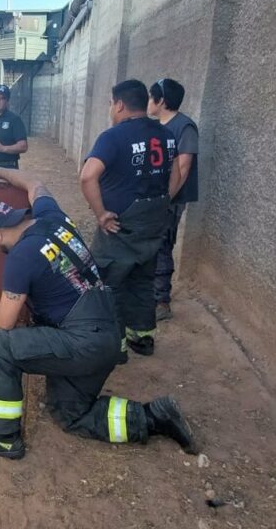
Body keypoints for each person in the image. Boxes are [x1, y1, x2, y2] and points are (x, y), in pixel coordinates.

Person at [0, 168, 195, 459]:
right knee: (68, 413)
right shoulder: (50, 216)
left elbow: (3, 324)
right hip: (108, 335)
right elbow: (36, 183)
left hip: (83, 342)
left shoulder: (20, 256)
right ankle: (154, 417)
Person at [79, 80, 182, 359]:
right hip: (153, 220)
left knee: (109, 280)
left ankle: (116, 345)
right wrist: (160, 206)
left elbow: (88, 176)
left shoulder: (113, 137)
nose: (111, 109)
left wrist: (101, 214)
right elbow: (176, 176)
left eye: (111, 104)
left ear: (120, 104)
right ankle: (143, 337)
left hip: (121, 225)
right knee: (142, 278)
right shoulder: (166, 134)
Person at [148, 79, 200, 321]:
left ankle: (162, 301)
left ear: (162, 101)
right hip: (152, 197)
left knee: (162, 244)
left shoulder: (184, 127)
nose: (148, 102)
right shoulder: (154, 126)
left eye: (151, 97)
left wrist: (165, 199)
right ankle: (150, 291)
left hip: (170, 199)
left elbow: (184, 166)